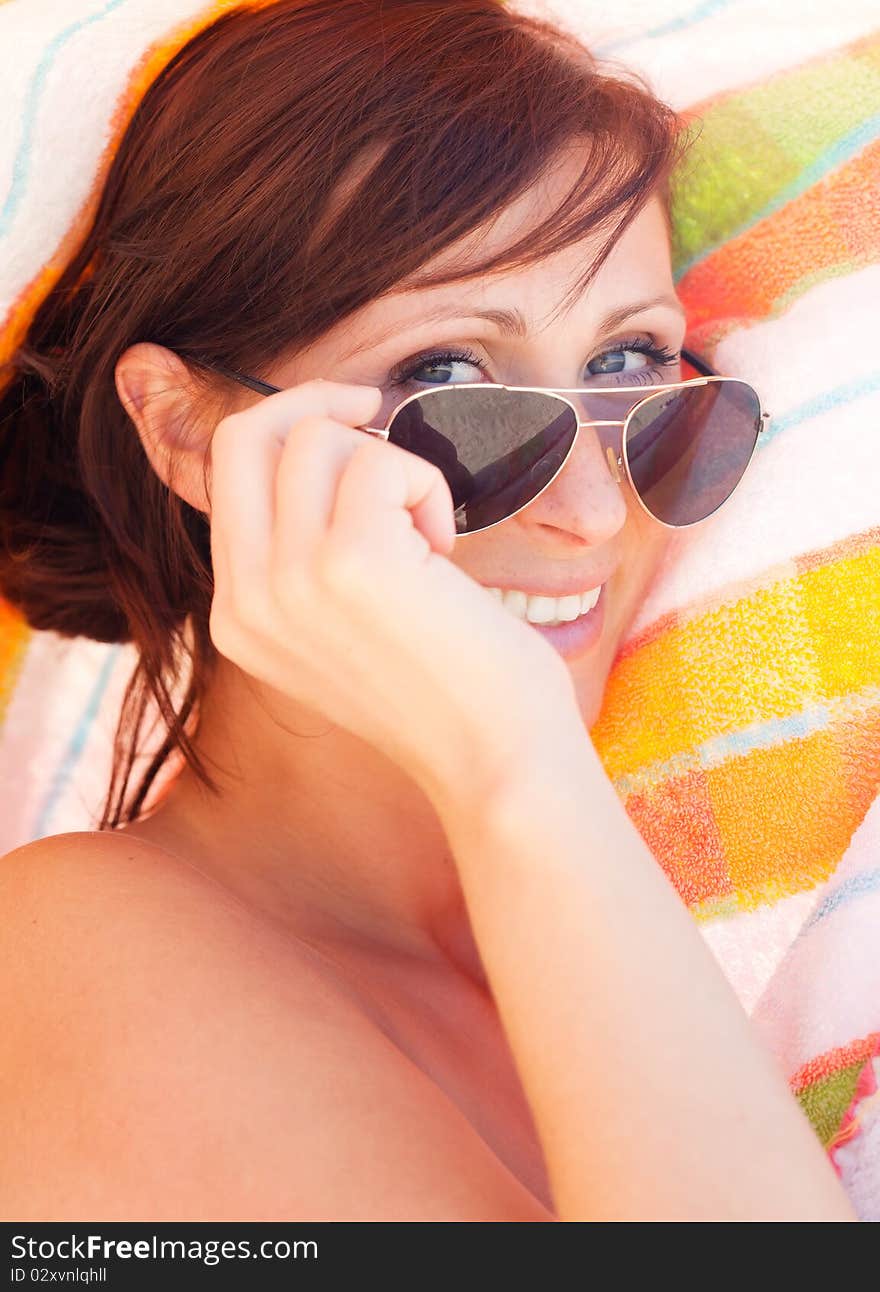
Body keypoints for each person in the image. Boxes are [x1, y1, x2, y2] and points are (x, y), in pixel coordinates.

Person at [0, 0, 856, 1221]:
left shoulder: (703, 932)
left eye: (627, 362)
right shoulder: (62, 952)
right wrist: (513, 761)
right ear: (188, 429)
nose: (589, 514)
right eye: (446, 380)